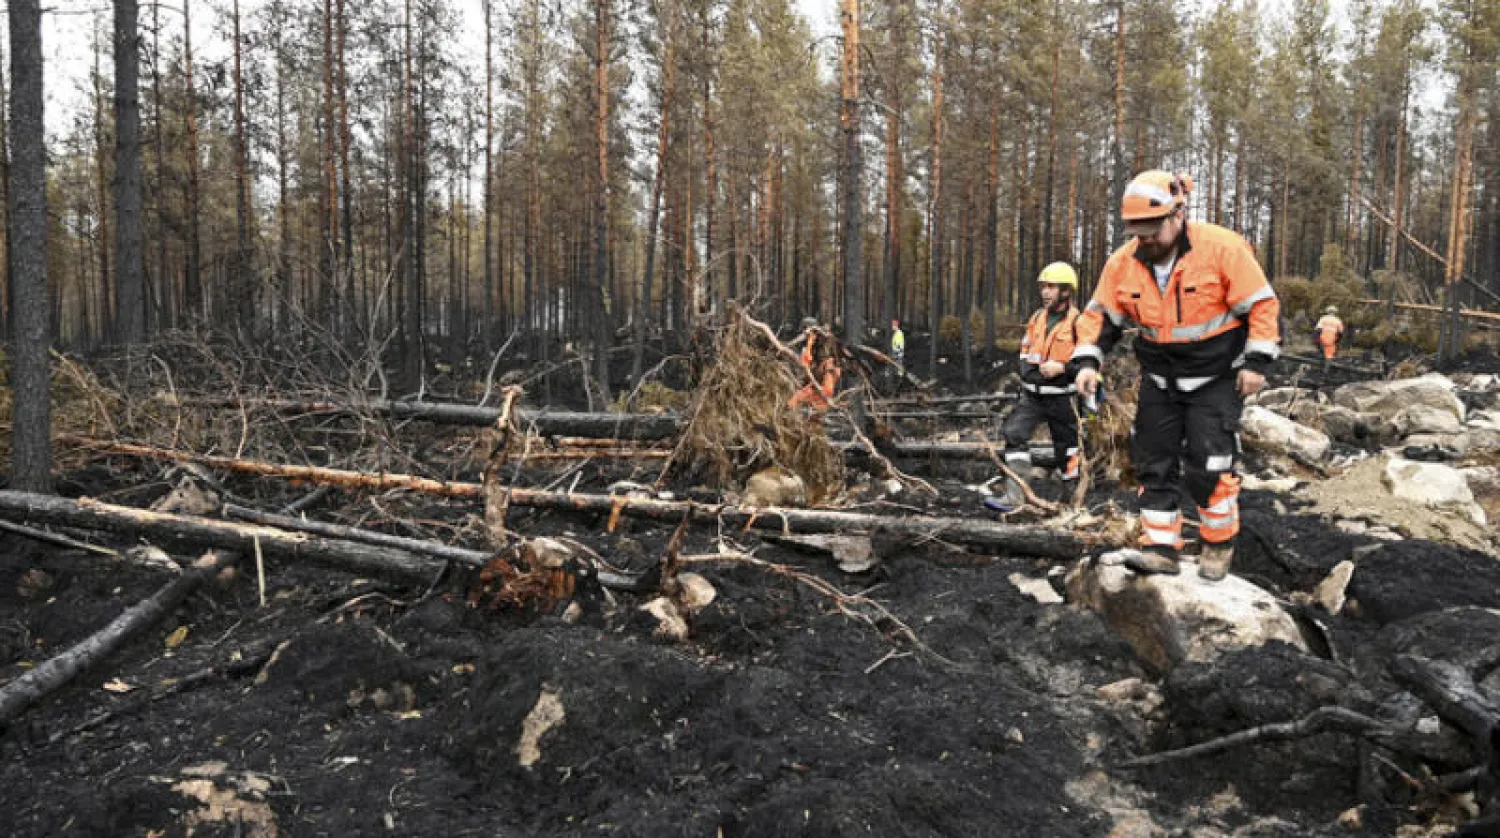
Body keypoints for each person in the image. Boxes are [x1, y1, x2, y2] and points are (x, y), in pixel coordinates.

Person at [1071, 170, 1280, 581]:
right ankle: (1162, 546)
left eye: (1152, 230)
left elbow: (1261, 306)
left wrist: (1256, 364)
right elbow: (1098, 318)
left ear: (1178, 215)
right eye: (1137, 231)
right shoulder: (1123, 263)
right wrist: (1087, 363)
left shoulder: (1222, 249)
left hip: (1216, 377)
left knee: (1210, 465)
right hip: (1160, 379)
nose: (1144, 240)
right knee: (1153, 462)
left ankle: (1218, 544)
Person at [987, 262, 1084, 512]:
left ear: (1066, 291)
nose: (1045, 292)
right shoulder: (1037, 318)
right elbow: (1025, 353)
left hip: (1064, 398)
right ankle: (1015, 496)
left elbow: (1089, 364)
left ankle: (1071, 502)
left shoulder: (1080, 322)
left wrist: (1062, 369)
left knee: (1068, 451)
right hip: (1033, 396)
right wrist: (1030, 375)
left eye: (1051, 287)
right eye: (1043, 287)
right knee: (1014, 434)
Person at [789, 317, 842, 413]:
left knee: (819, 403)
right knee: (793, 401)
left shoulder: (824, 339)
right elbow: (807, 365)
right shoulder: (810, 346)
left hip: (825, 378)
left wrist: (814, 334)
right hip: (816, 381)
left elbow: (828, 389)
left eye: (805, 330)